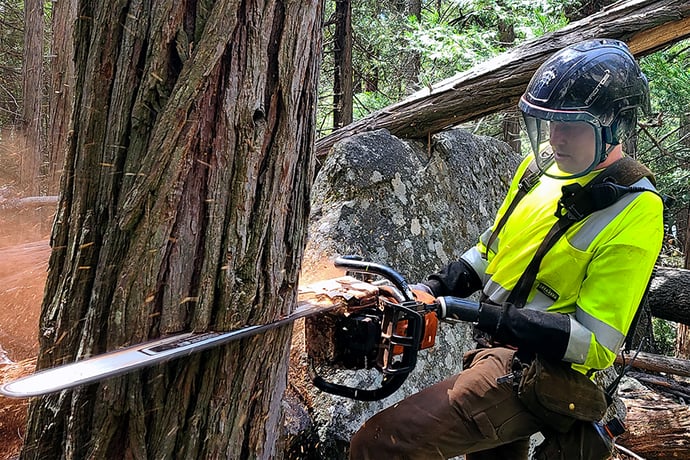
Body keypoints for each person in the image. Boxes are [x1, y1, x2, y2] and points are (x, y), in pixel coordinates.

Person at [349, 39, 664, 460]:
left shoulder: (636, 208)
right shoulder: (539, 171)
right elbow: (489, 251)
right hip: (492, 346)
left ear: (614, 127)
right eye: (548, 124)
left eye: (570, 126)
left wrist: (469, 311)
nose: (555, 139)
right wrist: (430, 288)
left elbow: (595, 343)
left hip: (542, 369)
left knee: (381, 444)